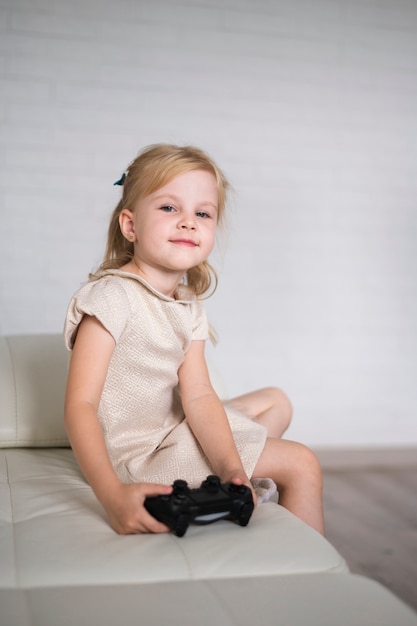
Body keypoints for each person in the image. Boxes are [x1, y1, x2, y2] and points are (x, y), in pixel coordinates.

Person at [64, 144, 324, 536]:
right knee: (302, 462)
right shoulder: (112, 297)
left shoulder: (187, 304)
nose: (188, 222)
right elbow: (80, 404)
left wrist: (232, 468)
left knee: (276, 400)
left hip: (171, 427)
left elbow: (198, 395)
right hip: (142, 457)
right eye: (170, 208)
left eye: (202, 213)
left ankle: (235, 480)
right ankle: (312, 580)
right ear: (130, 225)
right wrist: (112, 493)